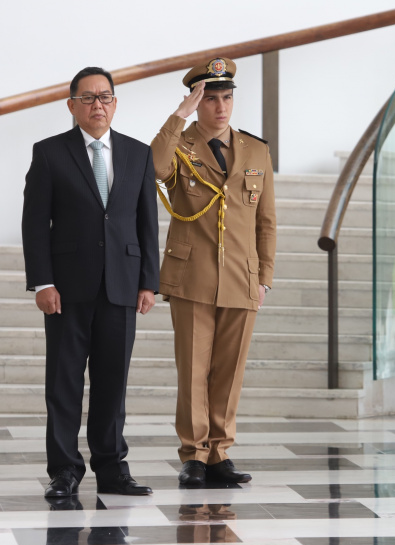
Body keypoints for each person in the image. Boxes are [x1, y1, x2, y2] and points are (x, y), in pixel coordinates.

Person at [22, 66, 159, 497]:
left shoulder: (138, 154)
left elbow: (147, 222)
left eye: (105, 97)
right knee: (63, 383)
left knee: (112, 382)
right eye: (88, 98)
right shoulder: (49, 153)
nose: (97, 105)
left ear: (115, 103)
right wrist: (42, 282)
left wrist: (148, 282)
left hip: (121, 284)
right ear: (72, 105)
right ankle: (64, 470)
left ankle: (112, 468)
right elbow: (34, 224)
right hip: (67, 288)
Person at [151, 57, 276, 486]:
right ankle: (194, 454)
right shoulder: (180, 144)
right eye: (210, 99)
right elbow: (154, 167)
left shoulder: (256, 150)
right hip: (193, 276)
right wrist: (179, 116)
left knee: (229, 369)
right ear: (197, 101)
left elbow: (266, 221)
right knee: (193, 369)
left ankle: (220, 453)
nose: (220, 108)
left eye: (226, 98)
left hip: (242, 277)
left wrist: (264, 277)